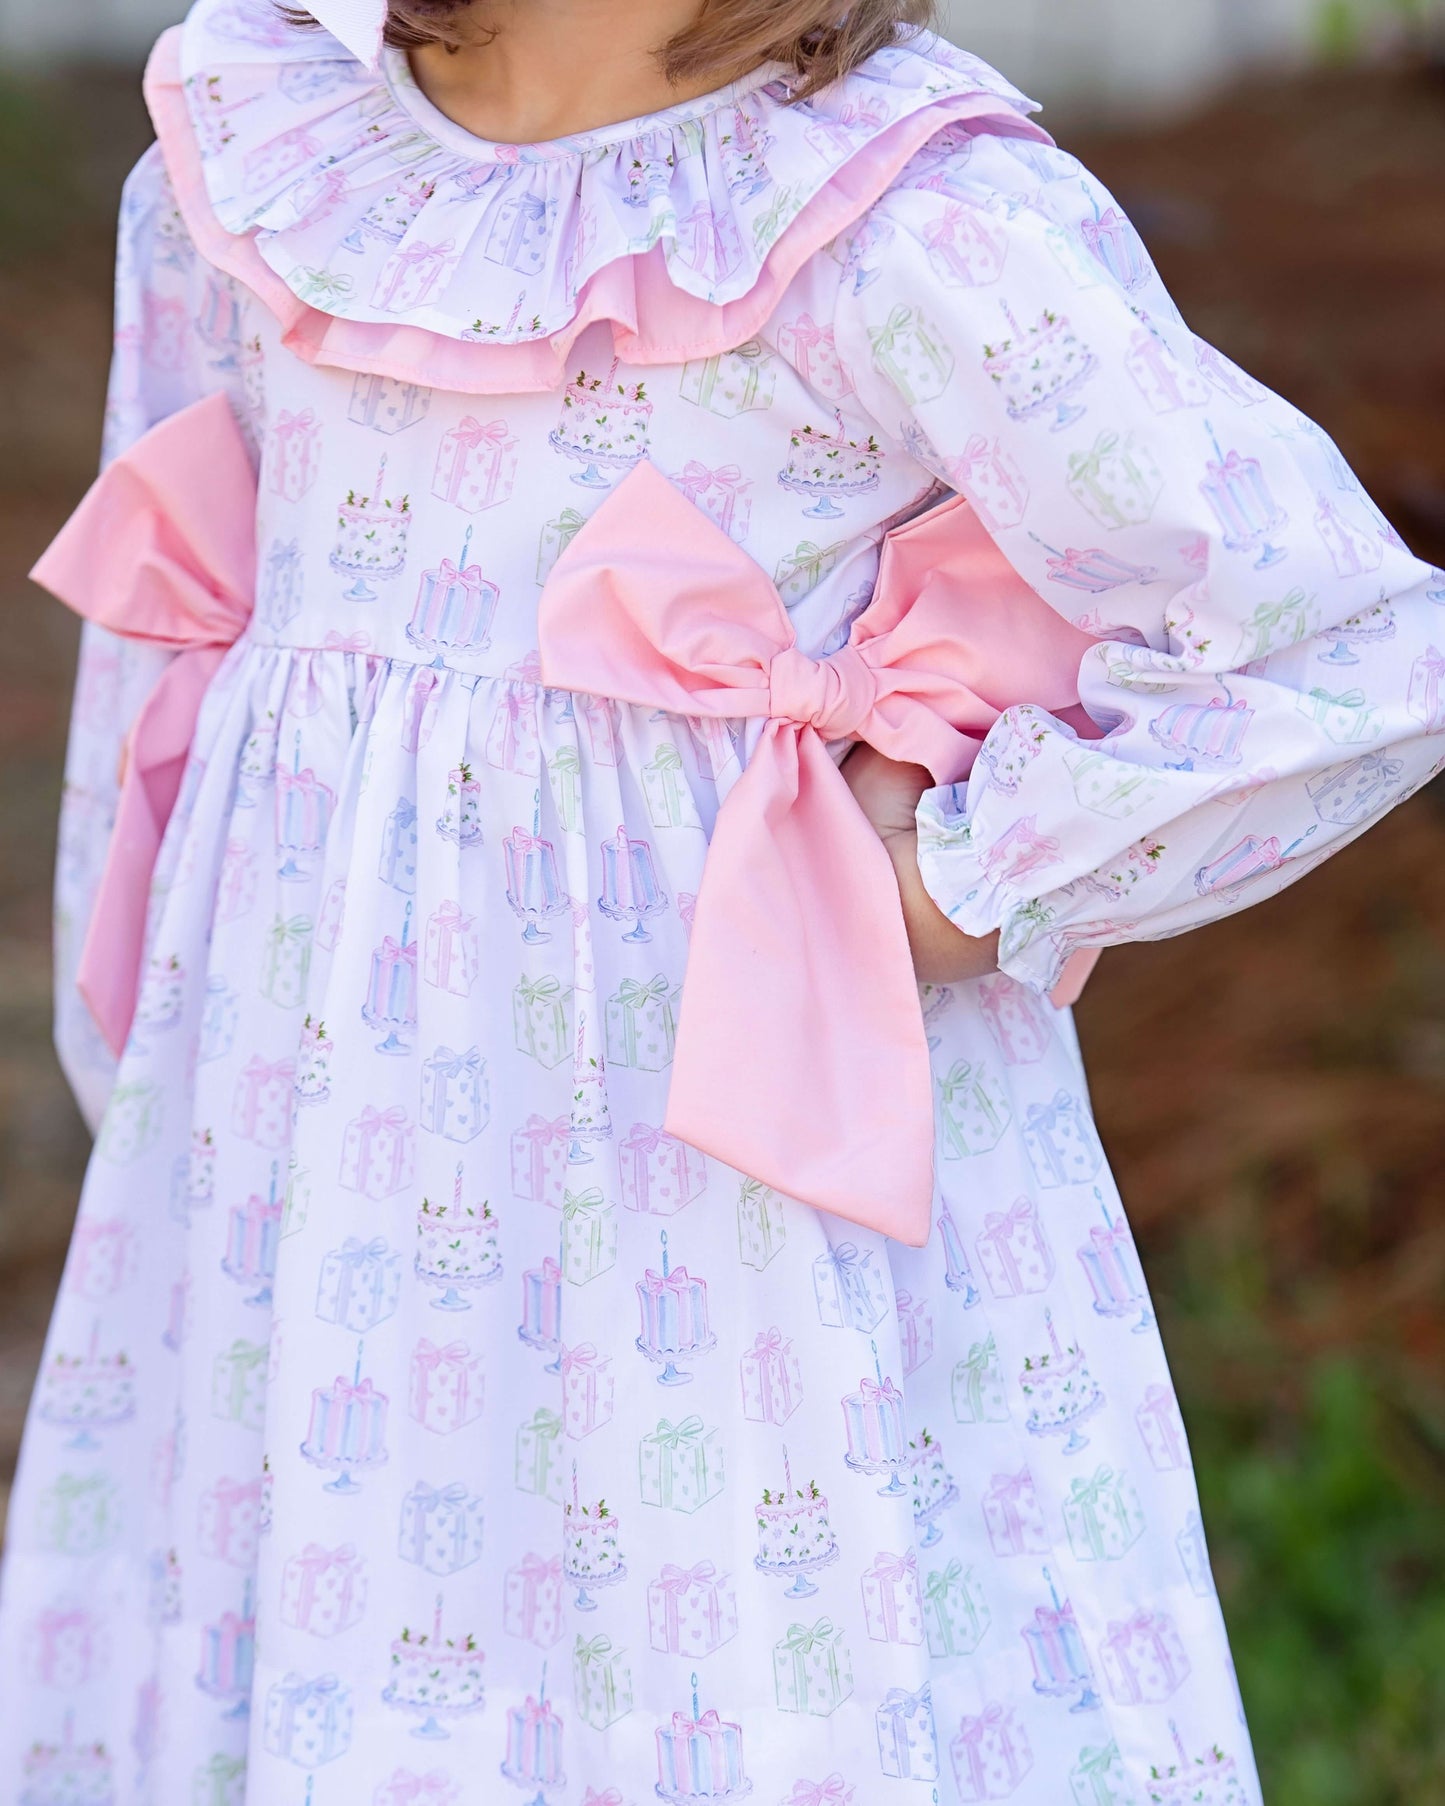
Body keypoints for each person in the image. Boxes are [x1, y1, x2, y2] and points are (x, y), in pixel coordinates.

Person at [1, 0, 1440, 1797]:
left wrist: (967, 872)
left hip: (715, 1188)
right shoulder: (259, 162)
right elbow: (169, 654)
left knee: (713, 1664)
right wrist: (150, 1082)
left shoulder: (895, 214)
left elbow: (1340, 639)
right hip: (329, 1179)